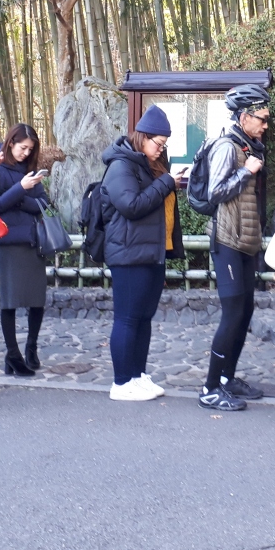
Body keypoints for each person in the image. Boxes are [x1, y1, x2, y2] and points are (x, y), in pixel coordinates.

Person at [100, 105, 182, 402]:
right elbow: (131, 206)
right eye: (157, 143)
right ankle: (121, 383)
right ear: (142, 137)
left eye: (164, 145)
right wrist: (165, 183)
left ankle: (137, 375)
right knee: (127, 318)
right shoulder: (121, 165)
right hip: (128, 253)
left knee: (144, 317)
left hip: (150, 251)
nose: (160, 150)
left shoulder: (149, 165)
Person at [199, 83, 271, 412]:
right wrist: (245, 171)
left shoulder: (248, 145)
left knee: (245, 311)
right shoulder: (227, 147)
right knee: (231, 315)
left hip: (246, 242)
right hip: (228, 241)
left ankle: (227, 377)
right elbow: (215, 192)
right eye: (262, 118)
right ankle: (210, 388)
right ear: (244, 117)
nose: (266, 125)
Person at [0, 123, 49, 377]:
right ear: (10, 142)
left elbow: (43, 202)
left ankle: (31, 347)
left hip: (32, 240)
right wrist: (21, 189)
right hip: (8, 242)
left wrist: (20, 198)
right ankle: (12, 354)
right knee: (10, 301)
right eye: (23, 147)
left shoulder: (30, 169)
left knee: (37, 299)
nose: (25, 153)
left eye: (30, 149)